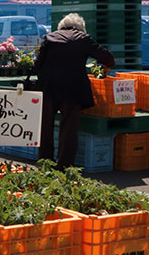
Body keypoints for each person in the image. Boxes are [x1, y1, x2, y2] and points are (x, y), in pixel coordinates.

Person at [34, 13, 115, 170]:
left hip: (49, 87)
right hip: (73, 89)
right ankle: (64, 165)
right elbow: (107, 57)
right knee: (69, 127)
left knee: (46, 126)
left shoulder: (50, 38)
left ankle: (45, 162)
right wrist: (107, 66)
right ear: (81, 28)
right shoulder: (83, 38)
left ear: (61, 26)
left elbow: (37, 65)